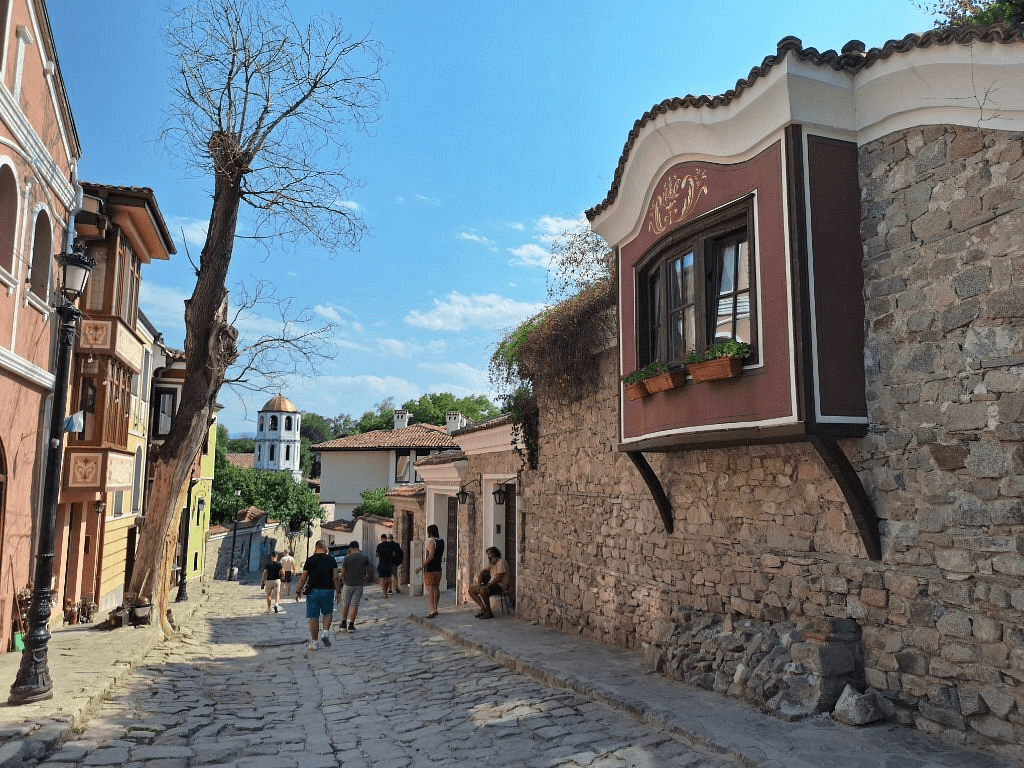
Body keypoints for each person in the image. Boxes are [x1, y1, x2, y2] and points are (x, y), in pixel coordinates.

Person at [295, 540, 337, 650]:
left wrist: (298, 591)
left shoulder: (309, 560)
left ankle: (314, 643)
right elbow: (336, 577)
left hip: (313, 592)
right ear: (325, 548)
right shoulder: (331, 560)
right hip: (328, 590)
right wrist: (339, 592)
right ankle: (325, 633)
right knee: (327, 613)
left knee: (313, 617)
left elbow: (303, 578)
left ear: (316, 548)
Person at [339, 540, 372, 632]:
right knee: (355, 604)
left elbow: (343, 571)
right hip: (359, 584)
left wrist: (342, 578)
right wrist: (366, 578)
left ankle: (343, 623)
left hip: (348, 584)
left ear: (350, 548)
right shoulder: (364, 557)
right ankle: (351, 625)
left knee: (346, 604)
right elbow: (368, 569)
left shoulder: (347, 558)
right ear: (358, 548)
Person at [467, 547, 508, 620]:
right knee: (471, 590)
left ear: (494, 554)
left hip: (500, 586)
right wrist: (479, 585)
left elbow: (498, 578)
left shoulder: (501, 562)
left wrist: (487, 586)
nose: (488, 556)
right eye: (488, 554)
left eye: (490, 554)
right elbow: (482, 572)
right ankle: (483, 608)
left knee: (483, 590)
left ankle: (489, 612)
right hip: (492, 584)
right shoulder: (492, 563)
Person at [415, 524, 444, 618]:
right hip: (438, 568)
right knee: (436, 588)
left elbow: (430, 556)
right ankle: (436, 608)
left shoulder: (432, 542)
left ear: (430, 532)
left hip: (430, 569)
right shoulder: (441, 541)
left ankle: (432, 610)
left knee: (430, 590)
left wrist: (421, 566)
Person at [375, 533, 393, 598]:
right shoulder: (390, 545)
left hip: (382, 564)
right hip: (389, 564)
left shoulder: (379, 546)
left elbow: (376, 555)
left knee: (382, 579)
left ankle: (384, 593)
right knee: (388, 579)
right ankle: (386, 591)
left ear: (381, 539)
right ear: (386, 538)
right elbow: (393, 554)